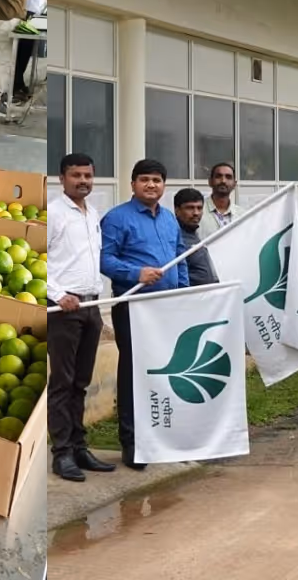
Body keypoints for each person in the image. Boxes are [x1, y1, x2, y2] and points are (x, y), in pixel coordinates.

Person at [101, 159, 188, 470]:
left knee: (164, 370)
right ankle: (132, 442)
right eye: (145, 180)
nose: (151, 185)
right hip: (133, 306)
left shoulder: (168, 219)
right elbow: (104, 260)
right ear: (133, 185)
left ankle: (161, 435)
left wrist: (184, 291)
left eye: (157, 180)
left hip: (167, 305)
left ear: (164, 185)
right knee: (134, 373)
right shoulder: (117, 219)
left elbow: (181, 256)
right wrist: (136, 273)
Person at [46, 153, 116, 482]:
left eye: (88, 175)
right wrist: (58, 294)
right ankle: (61, 454)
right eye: (76, 175)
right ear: (62, 179)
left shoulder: (93, 214)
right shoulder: (54, 214)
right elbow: (36, 257)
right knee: (62, 383)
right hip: (64, 311)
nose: (83, 181)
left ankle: (78, 446)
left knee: (81, 383)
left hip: (91, 307)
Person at [173, 188, 219, 287]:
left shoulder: (194, 233)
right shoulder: (173, 237)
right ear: (177, 211)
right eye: (190, 208)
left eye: (199, 208)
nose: (196, 213)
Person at [198, 162, 238, 237]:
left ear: (234, 184)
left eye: (228, 177)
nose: (223, 181)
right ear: (210, 182)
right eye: (218, 176)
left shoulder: (242, 215)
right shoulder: (197, 212)